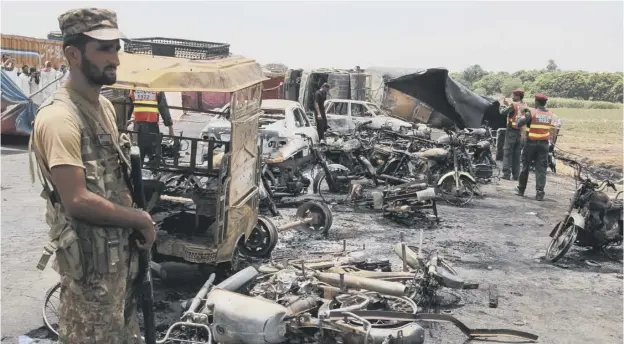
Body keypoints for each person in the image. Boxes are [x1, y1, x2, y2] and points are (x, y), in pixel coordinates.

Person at [29, 8, 154, 343]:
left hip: (118, 262)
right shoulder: (60, 118)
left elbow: (114, 177)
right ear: (72, 53)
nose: (115, 57)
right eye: (104, 48)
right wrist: (139, 218)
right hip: (91, 274)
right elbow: (77, 200)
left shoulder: (105, 108)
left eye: (116, 47)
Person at [516, 93, 555, 201]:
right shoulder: (551, 114)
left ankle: (521, 190)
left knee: (525, 167)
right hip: (544, 145)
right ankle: (539, 193)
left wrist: (521, 113)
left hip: (530, 144)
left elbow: (519, 123)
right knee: (541, 169)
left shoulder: (531, 112)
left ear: (536, 102)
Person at [127, 89, 174, 162]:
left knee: (138, 156)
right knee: (154, 155)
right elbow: (163, 108)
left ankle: (139, 170)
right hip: (152, 126)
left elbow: (127, 109)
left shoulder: (133, 88)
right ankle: (154, 170)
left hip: (138, 128)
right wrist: (170, 128)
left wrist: (124, 123)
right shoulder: (157, 88)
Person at [500, 89, 528, 180]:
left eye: (513, 95)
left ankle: (506, 174)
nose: (512, 97)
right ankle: (516, 175)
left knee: (507, 153)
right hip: (520, 132)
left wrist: (501, 103)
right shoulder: (524, 105)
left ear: (518, 96)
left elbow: (502, 112)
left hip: (511, 131)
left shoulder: (514, 105)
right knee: (517, 154)